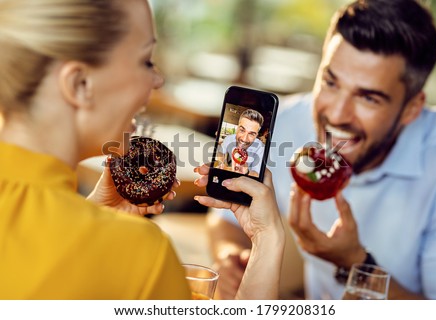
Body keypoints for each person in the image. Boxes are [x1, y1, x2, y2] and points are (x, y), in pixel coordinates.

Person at [0, 0, 285, 299]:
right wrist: (267, 239)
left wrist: (91, 219)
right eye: (146, 61)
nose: (158, 80)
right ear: (80, 83)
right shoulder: (143, 255)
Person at [207, 0, 436, 300]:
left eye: (368, 98)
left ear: (412, 108)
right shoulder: (283, 124)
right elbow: (227, 220)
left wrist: (355, 264)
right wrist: (233, 255)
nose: (336, 115)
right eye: (331, 83)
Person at [217, 109, 265, 176]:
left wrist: (246, 172)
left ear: (256, 135)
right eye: (242, 130)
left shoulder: (261, 148)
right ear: (237, 129)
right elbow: (221, 152)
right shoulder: (229, 139)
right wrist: (221, 163)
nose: (244, 139)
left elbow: (257, 174)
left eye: (251, 134)